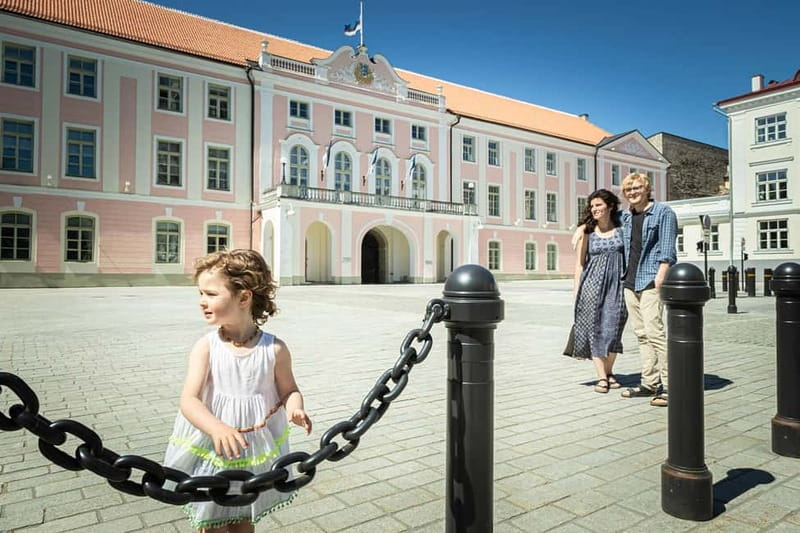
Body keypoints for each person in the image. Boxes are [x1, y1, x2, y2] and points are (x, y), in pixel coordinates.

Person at [164, 249, 312, 532]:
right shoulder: (207, 347)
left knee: (244, 519)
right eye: (200, 293)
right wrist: (217, 428)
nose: (202, 301)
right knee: (211, 521)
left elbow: (289, 389)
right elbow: (189, 400)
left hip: (252, 450)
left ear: (244, 298)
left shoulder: (274, 349)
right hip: (213, 447)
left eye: (211, 294)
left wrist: (295, 408)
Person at [618, 173, 678, 407]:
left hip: (651, 280)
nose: (632, 193)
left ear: (647, 189)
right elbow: (598, 217)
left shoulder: (663, 212)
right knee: (642, 335)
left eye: (636, 188)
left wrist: (661, 276)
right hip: (630, 281)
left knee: (655, 333)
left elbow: (667, 248)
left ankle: (672, 386)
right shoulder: (626, 216)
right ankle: (649, 383)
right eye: (628, 190)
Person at [569, 189, 628, 393]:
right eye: (592, 206)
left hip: (617, 285)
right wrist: (577, 290)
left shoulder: (622, 229)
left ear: (610, 206)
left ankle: (609, 371)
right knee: (594, 330)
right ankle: (603, 377)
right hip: (591, 286)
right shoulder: (587, 232)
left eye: (598, 205)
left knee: (613, 328)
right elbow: (579, 264)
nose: (594, 209)